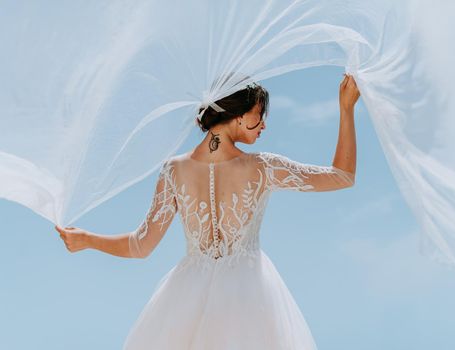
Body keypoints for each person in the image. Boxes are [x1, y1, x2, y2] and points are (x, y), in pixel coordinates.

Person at [54, 73, 360, 349]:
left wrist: (86, 240)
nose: (264, 123)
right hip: (250, 298)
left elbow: (141, 245)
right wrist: (346, 109)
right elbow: (342, 176)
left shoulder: (174, 170)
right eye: (259, 114)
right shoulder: (262, 167)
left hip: (184, 299)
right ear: (236, 115)